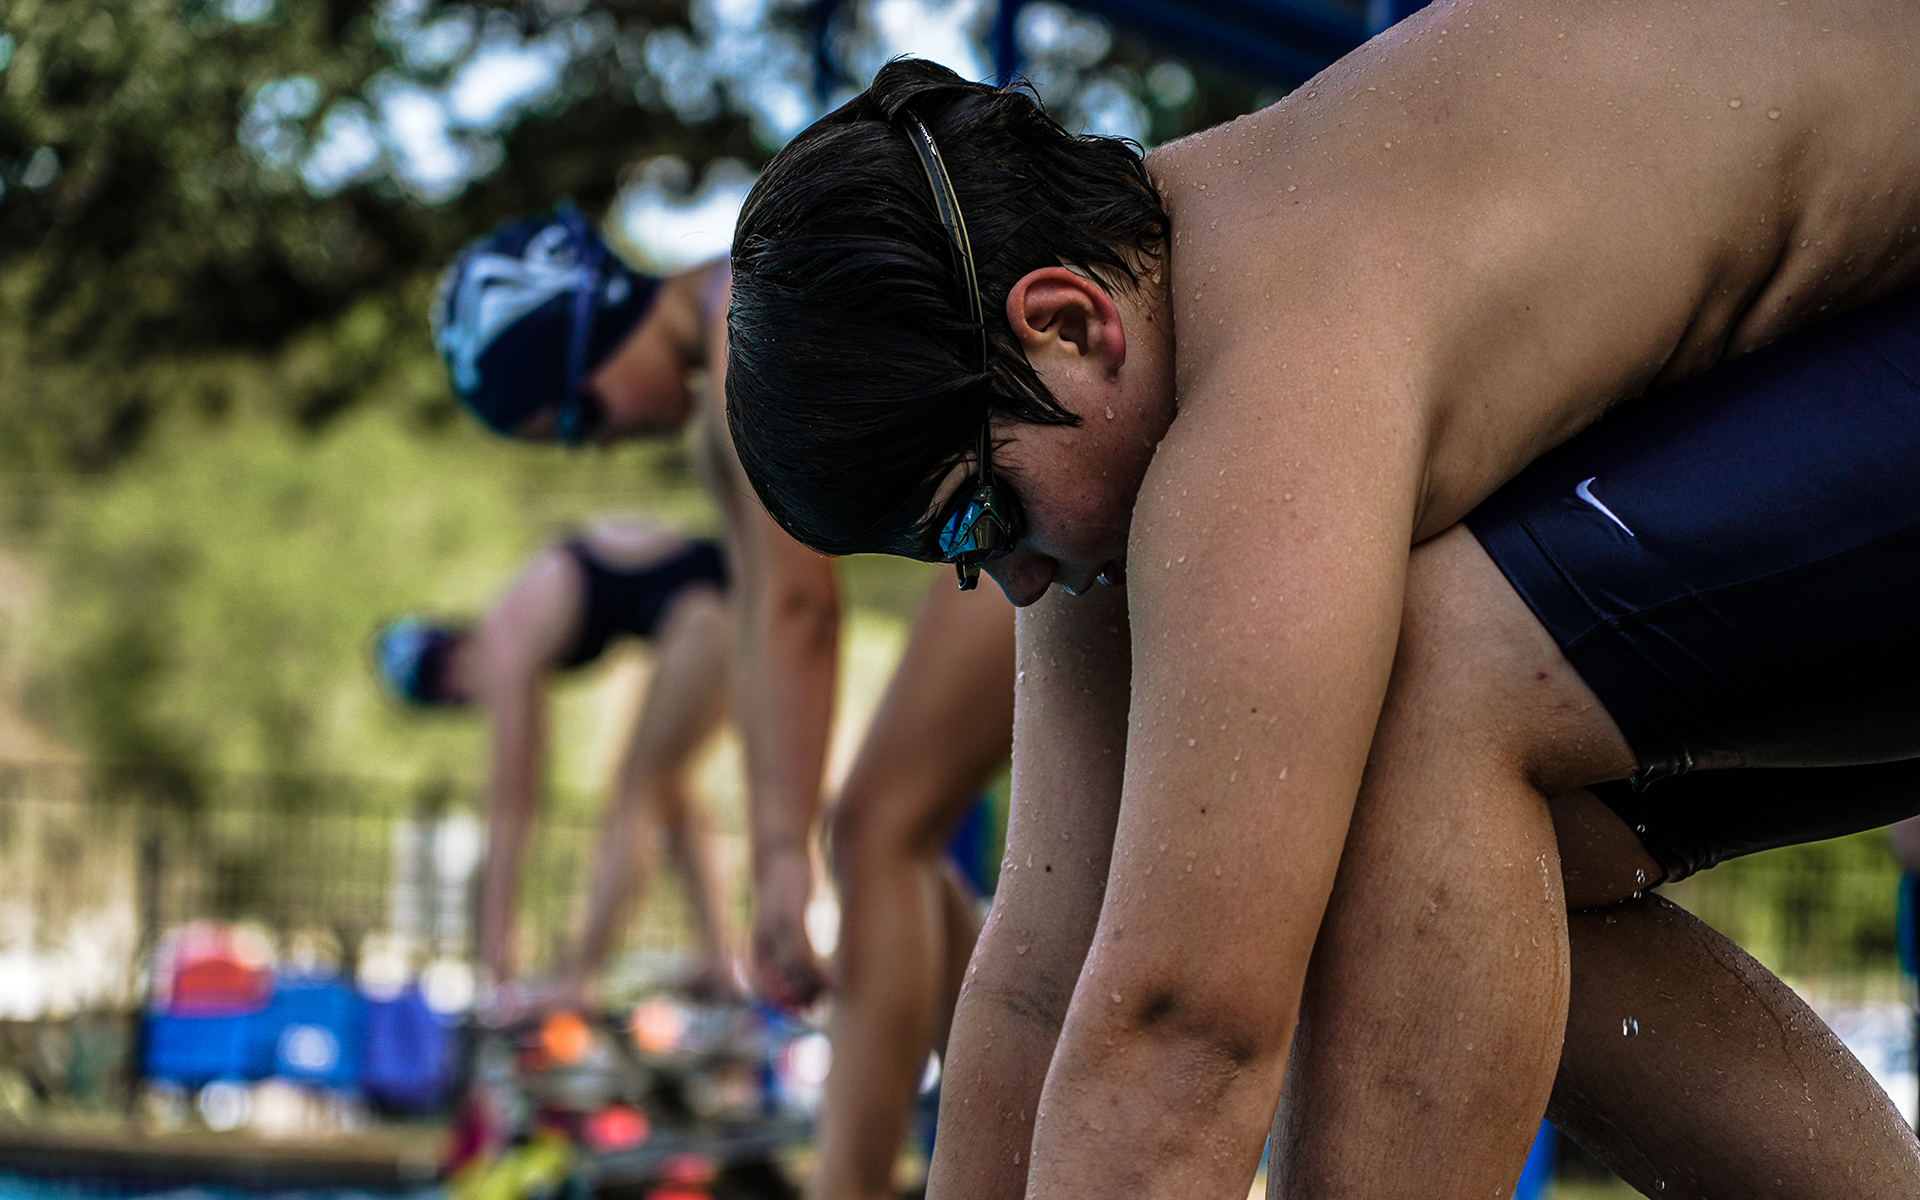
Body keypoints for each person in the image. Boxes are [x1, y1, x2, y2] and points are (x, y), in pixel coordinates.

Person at [721, 3, 1920, 1194]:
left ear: (1068, 322)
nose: (1019, 581)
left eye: (980, 521)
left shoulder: (1268, 389)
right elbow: (1043, 973)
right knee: (1453, 888)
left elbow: (1187, 1030)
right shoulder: (1120, 375)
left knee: (1435, 695)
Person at [432, 200, 1020, 1197]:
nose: (602, 443)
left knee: (875, 833)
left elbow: (799, 607)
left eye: (578, 415)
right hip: (1019, 511)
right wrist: (775, 849)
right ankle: (1008, 1148)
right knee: (897, 844)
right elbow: (762, 627)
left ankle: (864, 1186)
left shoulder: (742, 327)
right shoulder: (724, 366)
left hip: (1045, 492)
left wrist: (787, 856)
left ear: (599, 324)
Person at [376, 520, 737, 1017]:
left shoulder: (501, 649)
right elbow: (529, 778)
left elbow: (512, 805)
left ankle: (578, 978)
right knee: (668, 788)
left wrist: (497, 942)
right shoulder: (516, 618)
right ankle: (720, 957)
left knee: (636, 791)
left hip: (703, 609)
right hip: (720, 597)